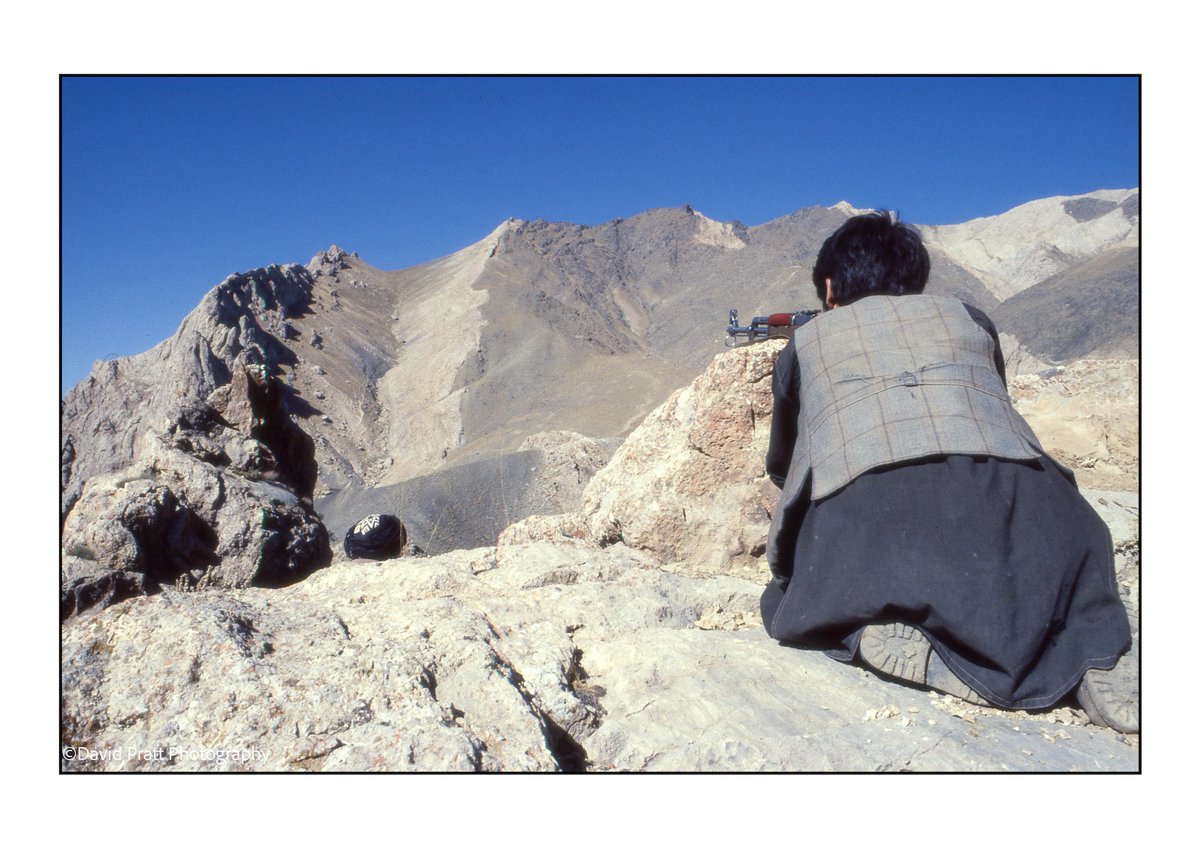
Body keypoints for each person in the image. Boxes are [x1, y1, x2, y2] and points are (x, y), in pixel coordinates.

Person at [761, 210, 1137, 732]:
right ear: (915, 280)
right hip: (1039, 507)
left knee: (799, 595)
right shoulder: (970, 318)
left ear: (829, 287)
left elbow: (783, 464)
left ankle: (885, 633)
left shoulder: (804, 345)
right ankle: (1094, 653)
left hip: (880, 517)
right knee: (1075, 580)